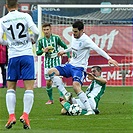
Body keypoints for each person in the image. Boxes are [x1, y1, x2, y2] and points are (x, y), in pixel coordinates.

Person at [48, 20, 118, 116]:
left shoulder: (86, 40)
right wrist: (64, 51)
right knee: (51, 72)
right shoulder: (74, 36)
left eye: (76, 31)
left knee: (76, 86)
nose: (73, 33)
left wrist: (109, 58)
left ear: (82, 30)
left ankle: (89, 110)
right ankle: (66, 93)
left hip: (79, 68)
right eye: (73, 31)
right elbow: (73, 47)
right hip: (70, 65)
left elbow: (97, 49)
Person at [0, 0, 39, 129]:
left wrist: (8, 43)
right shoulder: (26, 16)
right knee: (29, 88)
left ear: (6, 6)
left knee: (11, 87)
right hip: (27, 55)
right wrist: (33, 40)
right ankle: (25, 115)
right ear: (17, 5)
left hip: (13, 56)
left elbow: (0, 39)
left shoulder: (3, 20)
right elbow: (37, 32)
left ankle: (11, 116)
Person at [36, 23, 70, 104]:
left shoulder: (56, 38)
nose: (46, 31)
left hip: (56, 60)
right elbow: (37, 53)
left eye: (47, 29)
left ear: (50, 29)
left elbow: (65, 47)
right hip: (47, 62)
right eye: (44, 30)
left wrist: (68, 56)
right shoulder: (41, 41)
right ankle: (51, 99)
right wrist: (43, 51)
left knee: (59, 79)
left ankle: (62, 97)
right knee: (48, 82)